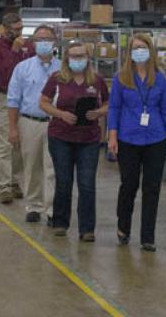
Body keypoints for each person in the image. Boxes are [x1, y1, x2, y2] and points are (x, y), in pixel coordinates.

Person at [107, 33, 166, 252]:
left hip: (155, 139)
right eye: (135, 48)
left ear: (150, 51)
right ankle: (123, 227)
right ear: (129, 53)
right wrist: (112, 135)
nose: (139, 51)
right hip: (128, 138)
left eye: (143, 47)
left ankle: (148, 236)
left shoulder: (160, 79)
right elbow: (114, 107)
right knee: (129, 185)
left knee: (152, 188)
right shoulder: (121, 78)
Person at [39, 41, 108, 242]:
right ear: (67, 59)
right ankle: (60, 222)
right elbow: (43, 102)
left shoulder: (97, 80)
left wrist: (98, 113)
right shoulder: (57, 79)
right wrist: (60, 114)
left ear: (88, 58)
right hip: (61, 137)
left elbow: (108, 103)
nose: (78, 60)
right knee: (64, 180)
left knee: (87, 184)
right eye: (74, 56)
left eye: (81, 56)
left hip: (89, 139)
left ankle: (87, 229)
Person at [7, 25, 60, 224]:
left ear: (54, 42)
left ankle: (52, 209)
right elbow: (13, 100)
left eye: (47, 39)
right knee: (32, 166)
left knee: (53, 167)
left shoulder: (63, 68)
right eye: (39, 39)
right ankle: (34, 206)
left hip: (56, 123)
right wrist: (13, 128)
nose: (44, 43)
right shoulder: (23, 68)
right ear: (33, 43)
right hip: (30, 122)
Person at [0, 12, 31, 204]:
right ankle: (4, 187)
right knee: (5, 143)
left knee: (20, 144)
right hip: (3, 98)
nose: (19, 33)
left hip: (24, 100)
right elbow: (2, 74)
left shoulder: (27, 48)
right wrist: (14, 52)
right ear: (5, 30)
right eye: (15, 30)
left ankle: (14, 181)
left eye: (21, 29)